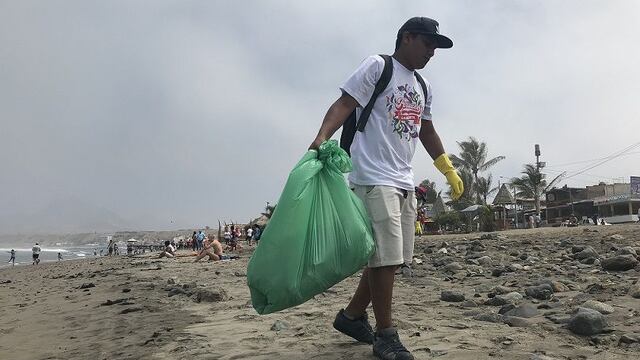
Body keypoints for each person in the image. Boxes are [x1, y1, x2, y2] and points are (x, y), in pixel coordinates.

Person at [307, 17, 463, 360]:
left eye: (435, 47)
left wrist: (447, 168)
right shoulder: (379, 66)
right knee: (384, 258)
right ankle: (386, 336)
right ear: (407, 38)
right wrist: (321, 138)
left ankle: (350, 317)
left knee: (391, 259)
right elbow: (345, 103)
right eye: (427, 43)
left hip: (404, 180)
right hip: (372, 176)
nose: (432, 52)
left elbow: (427, 130)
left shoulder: (423, 85)